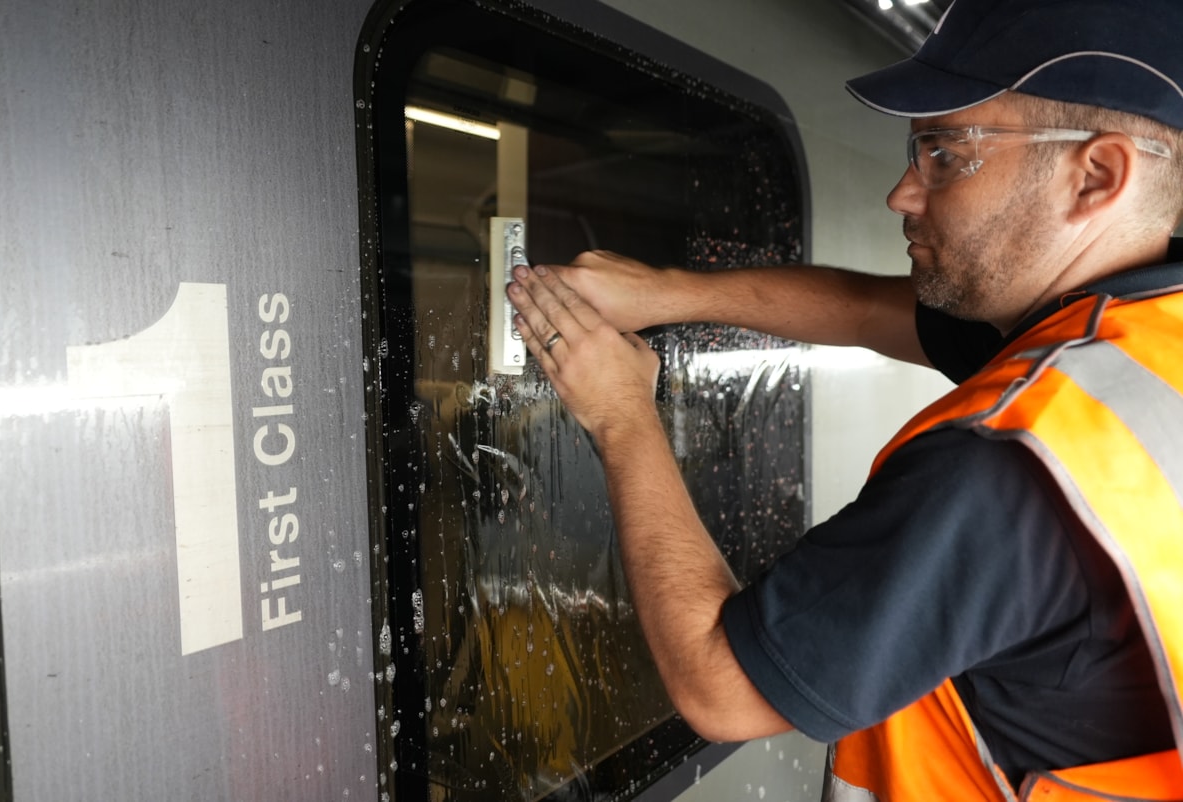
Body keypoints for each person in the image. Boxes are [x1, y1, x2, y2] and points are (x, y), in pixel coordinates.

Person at [507, 0, 1183, 799]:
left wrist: (621, 415)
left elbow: (723, 688)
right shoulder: (1141, 337)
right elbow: (870, 312)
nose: (903, 192)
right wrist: (663, 293)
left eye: (945, 152)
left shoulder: (1008, 464)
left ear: (1096, 176)